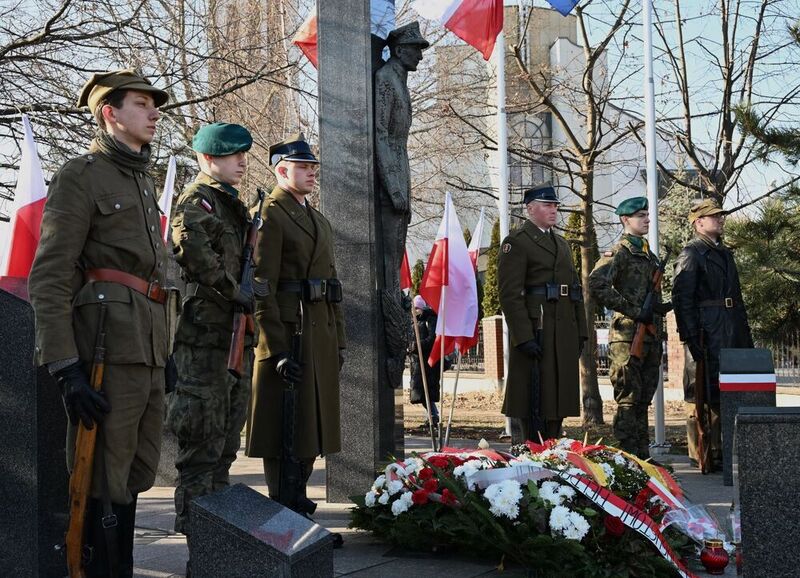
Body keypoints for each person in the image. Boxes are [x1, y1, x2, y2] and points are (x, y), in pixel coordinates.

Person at [28, 69, 171, 577]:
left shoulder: (140, 177)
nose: (154, 113)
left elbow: (154, 275)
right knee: (102, 480)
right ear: (110, 112)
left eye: (154, 105)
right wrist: (66, 366)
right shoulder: (81, 175)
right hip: (106, 350)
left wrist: (166, 350)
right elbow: (49, 275)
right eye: (141, 104)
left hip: (145, 348)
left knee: (136, 473)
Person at [246, 134, 345, 545]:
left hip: (318, 331)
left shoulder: (317, 218)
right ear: (281, 169)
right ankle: (284, 511)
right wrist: (275, 347)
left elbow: (333, 284)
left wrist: (339, 340)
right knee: (283, 430)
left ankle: (299, 504)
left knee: (311, 428)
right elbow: (261, 286)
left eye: (313, 168)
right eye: (303, 167)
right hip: (289, 333)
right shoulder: (270, 214)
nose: (311, 174)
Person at [167, 123, 256, 563]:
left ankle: (220, 545)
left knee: (224, 447)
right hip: (204, 344)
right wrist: (234, 289)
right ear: (207, 159)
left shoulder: (231, 205)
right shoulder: (197, 204)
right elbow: (195, 255)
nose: (241, 161)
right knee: (201, 450)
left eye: (242, 154)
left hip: (233, 340)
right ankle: (199, 551)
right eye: (232, 155)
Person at [498, 185, 587, 443]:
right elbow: (510, 295)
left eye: (555, 205)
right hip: (538, 330)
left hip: (562, 332)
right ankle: (531, 451)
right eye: (547, 205)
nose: (553, 210)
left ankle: (553, 452)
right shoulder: (517, 242)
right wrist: (523, 336)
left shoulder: (561, 243)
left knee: (557, 399)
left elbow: (574, 290)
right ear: (530, 208)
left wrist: (580, 331)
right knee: (533, 400)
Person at [673, 198, 753, 470]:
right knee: (702, 395)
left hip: (729, 329)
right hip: (708, 331)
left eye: (720, 215)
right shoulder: (691, 254)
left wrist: (745, 339)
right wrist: (691, 337)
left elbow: (737, 299)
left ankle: (723, 453)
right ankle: (704, 454)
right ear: (698, 222)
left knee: (727, 392)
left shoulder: (724, 253)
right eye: (713, 216)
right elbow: (682, 299)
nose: (720, 219)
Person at [588, 197, 672, 458]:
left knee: (643, 401)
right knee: (628, 401)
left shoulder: (649, 255)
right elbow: (596, 283)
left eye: (647, 214)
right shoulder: (620, 252)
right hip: (627, 337)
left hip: (649, 336)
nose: (647, 219)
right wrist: (634, 310)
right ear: (626, 220)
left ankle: (643, 458)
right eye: (641, 216)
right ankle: (627, 459)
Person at [409, 295, 440, 427]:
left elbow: (432, 339)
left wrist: (416, 346)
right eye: (413, 308)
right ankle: (431, 416)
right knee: (421, 393)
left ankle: (433, 417)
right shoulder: (414, 322)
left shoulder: (430, 319)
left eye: (417, 308)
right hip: (417, 362)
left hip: (428, 362)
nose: (414, 311)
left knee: (426, 391)